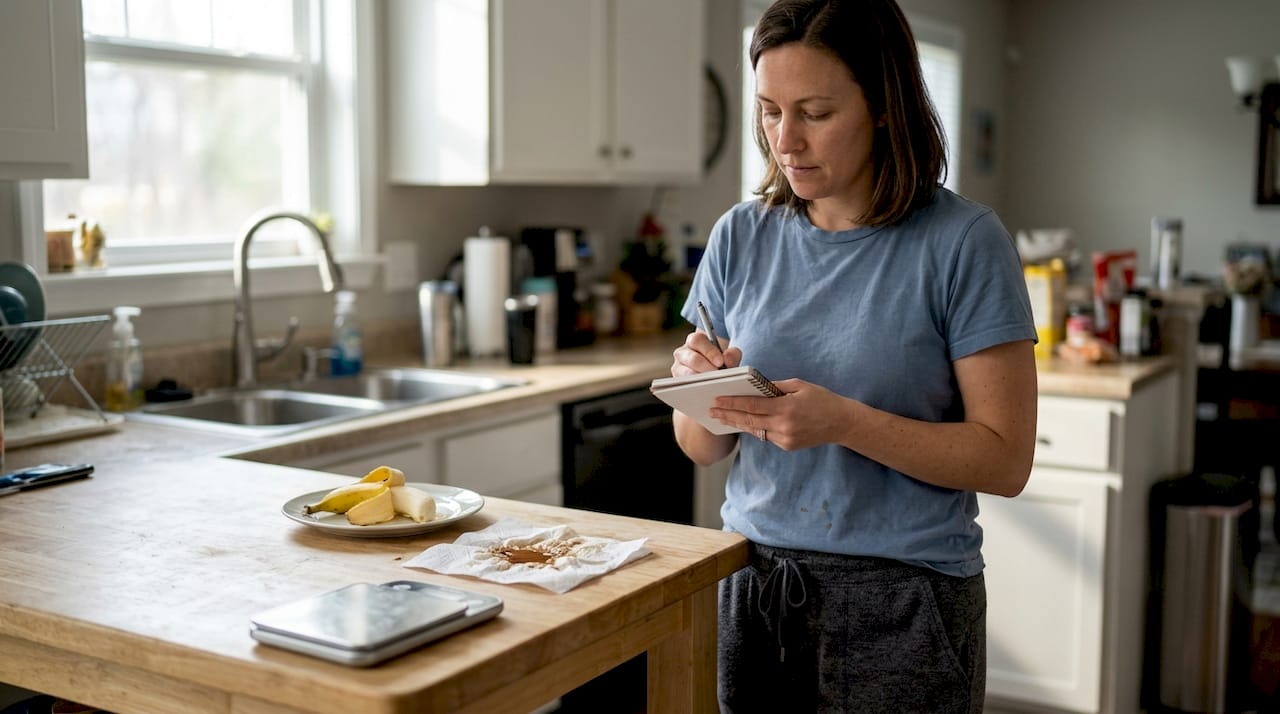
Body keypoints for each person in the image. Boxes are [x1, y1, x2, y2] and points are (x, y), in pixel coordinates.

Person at [668, 0, 1038, 711]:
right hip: (756, 587)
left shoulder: (964, 243)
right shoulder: (740, 236)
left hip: (906, 601)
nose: (786, 140)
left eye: (814, 112)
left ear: (884, 107)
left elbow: (1005, 460)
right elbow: (700, 448)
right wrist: (701, 391)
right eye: (771, 111)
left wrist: (844, 423)